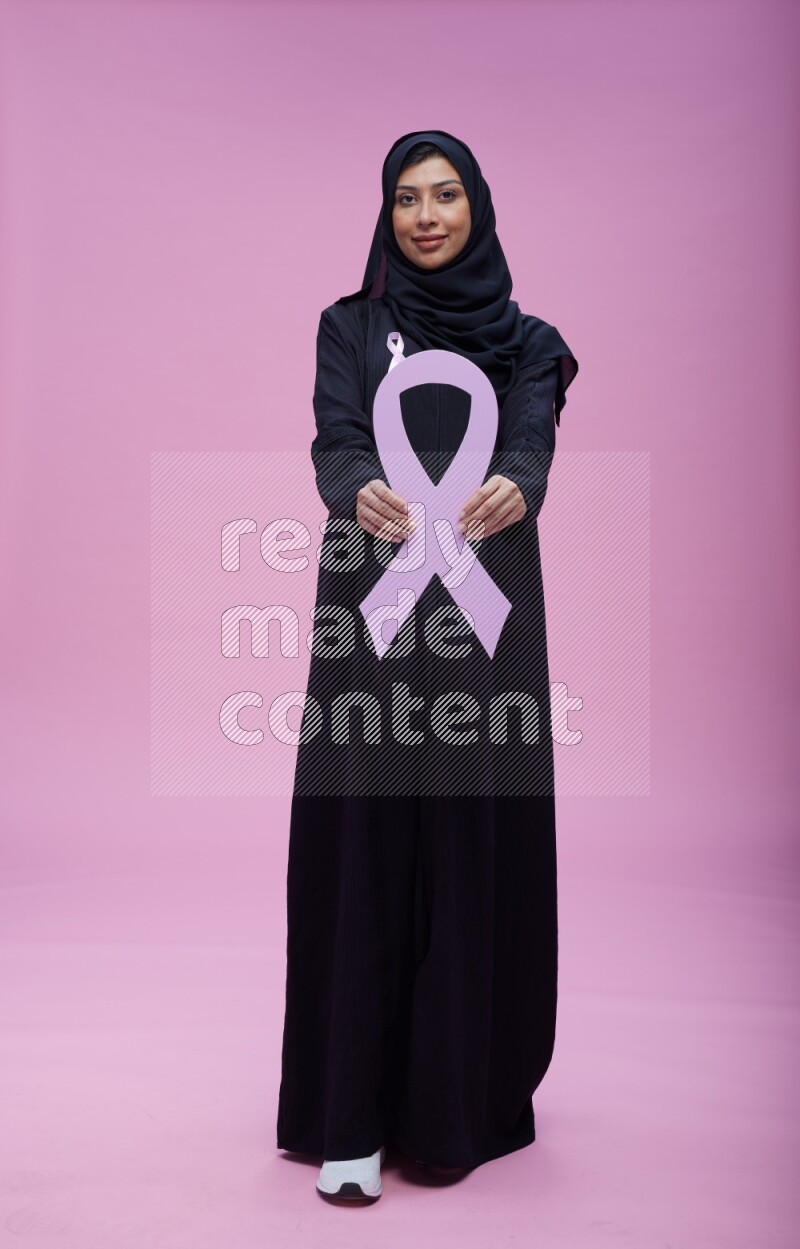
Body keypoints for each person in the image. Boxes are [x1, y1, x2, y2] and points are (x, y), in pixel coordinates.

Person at [276, 129, 579, 1202]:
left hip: (481, 632)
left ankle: (455, 1104)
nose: (425, 216)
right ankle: (346, 1113)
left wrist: (519, 480)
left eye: (445, 195)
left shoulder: (529, 340)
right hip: (373, 613)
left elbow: (531, 432)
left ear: (477, 207)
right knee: (364, 841)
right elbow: (333, 437)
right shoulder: (349, 326)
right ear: (385, 215)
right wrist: (355, 482)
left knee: (466, 842)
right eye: (406, 198)